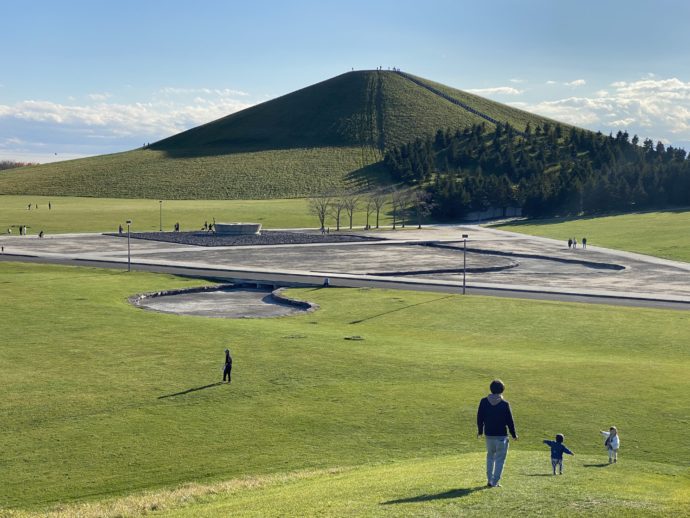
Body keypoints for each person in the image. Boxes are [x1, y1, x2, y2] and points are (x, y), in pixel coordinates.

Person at [477, 379, 518, 487]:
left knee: (490, 457)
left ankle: (489, 480)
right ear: (502, 390)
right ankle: (495, 482)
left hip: (489, 435)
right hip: (501, 436)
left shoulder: (483, 401)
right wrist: (514, 434)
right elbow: (510, 421)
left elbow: (479, 417)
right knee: (500, 460)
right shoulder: (505, 404)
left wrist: (480, 431)